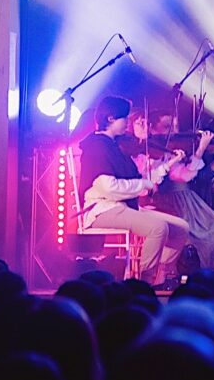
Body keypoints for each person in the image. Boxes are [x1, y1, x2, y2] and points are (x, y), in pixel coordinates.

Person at [77, 96, 190, 284]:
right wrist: (143, 185)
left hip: (123, 206)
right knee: (158, 228)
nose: (128, 123)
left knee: (180, 228)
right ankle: (143, 283)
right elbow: (110, 188)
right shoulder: (96, 146)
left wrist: (169, 164)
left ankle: (161, 278)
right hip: (102, 209)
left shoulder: (115, 146)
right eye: (125, 118)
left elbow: (140, 182)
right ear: (111, 118)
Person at [128, 111, 214, 277]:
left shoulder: (169, 153)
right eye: (167, 127)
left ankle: (211, 277)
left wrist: (200, 149)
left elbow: (186, 176)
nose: (173, 133)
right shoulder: (143, 153)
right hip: (162, 202)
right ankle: (171, 276)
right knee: (187, 234)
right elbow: (149, 181)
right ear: (152, 129)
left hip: (186, 199)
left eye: (175, 127)